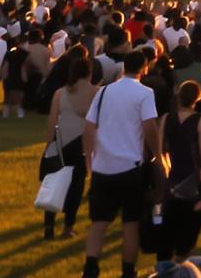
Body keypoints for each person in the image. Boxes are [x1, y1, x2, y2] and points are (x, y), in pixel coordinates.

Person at [79, 50, 161, 278]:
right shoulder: (145, 93)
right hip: (130, 166)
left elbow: (88, 127)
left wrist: (89, 160)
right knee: (130, 223)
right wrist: (158, 154)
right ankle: (128, 270)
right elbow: (149, 127)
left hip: (102, 165)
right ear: (144, 67)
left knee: (99, 222)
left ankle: (91, 265)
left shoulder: (104, 92)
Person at [156, 80, 201, 265]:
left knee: (167, 226)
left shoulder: (166, 118)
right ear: (197, 98)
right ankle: (181, 262)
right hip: (191, 179)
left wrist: (165, 175)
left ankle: (167, 264)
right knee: (188, 229)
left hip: (171, 178)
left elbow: (160, 151)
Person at [42, 52, 95, 240]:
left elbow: (52, 119)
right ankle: (68, 226)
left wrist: (50, 144)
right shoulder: (95, 92)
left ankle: (49, 226)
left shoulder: (60, 93)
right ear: (89, 73)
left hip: (62, 141)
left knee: (54, 184)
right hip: (82, 143)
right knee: (76, 186)